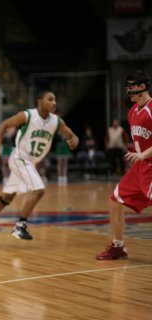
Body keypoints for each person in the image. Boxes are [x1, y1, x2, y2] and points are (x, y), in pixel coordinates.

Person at [0, 90, 79, 246]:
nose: (54, 102)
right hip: (20, 158)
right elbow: (4, 125)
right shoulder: (27, 115)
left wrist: (74, 139)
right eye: (50, 99)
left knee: (7, 198)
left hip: (30, 162)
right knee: (39, 190)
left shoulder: (56, 121)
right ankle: (20, 225)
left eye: (55, 100)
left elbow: (71, 135)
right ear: (40, 102)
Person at [96, 70, 151, 260]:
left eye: (132, 86)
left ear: (142, 87)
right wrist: (137, 154)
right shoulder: (132, 112)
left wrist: (143, 153)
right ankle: (118, 246)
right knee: (115, 199)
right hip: (140, 167)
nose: (128, 89)